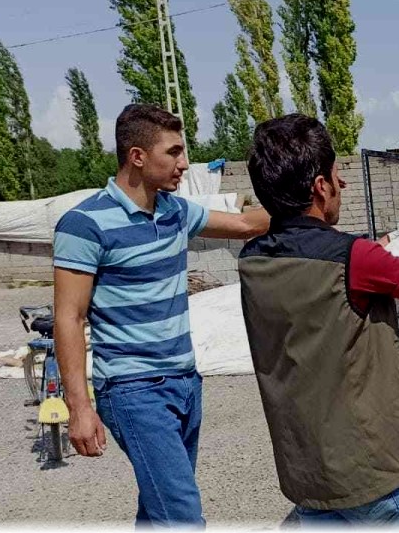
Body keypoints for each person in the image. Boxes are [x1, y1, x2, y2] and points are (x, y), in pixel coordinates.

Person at [238, 114, 399, 527]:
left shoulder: (254, 260)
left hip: (307, 475)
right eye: (337, 175)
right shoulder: (354, 260)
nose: (344, 184)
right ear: (320, 187)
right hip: (376, 477)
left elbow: (330, 256)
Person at [52, 104, 272, 527]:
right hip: (134, 391)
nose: (184, 163)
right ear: (137, 157)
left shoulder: (176, 212)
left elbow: (246, 225)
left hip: (186, 383)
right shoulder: (84, 224)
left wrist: (305, 204)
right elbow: (69, 318)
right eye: (173, 152)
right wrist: (79, 407)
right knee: (182, 516)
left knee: (159, 512)